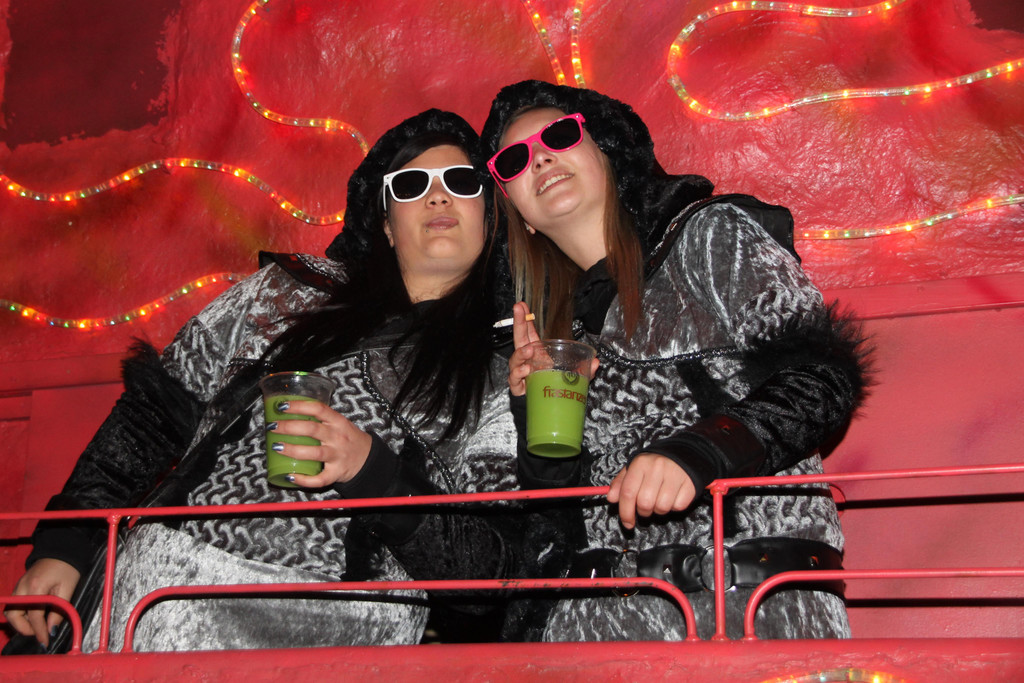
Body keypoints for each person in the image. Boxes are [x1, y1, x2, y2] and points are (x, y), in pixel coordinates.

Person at [4, 109, 521, 652]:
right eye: (411, 184)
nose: (438, 197)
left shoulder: (504, 371)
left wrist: (374, 472)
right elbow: (152, 417)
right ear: (387, 225)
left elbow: (491, 568)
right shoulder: (284, 294)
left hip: (340, 632)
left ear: (489, 217)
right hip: (160, 597)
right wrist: (68, 542)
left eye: (461, 182)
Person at [481, 80, 870, 641]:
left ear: (607, 153)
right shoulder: (544, 335)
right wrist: (532, 418)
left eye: (559, 136)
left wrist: (698, 452)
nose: (539, 158)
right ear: (521, 214)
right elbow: (552, 521)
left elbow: (820, 376)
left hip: (743, 602)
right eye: (514, 160)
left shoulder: (709, 236)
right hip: (598, 628)